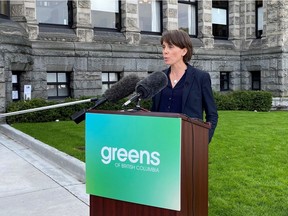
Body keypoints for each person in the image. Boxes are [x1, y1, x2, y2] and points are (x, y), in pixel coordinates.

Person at [151, 29, 218, 143]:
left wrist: (203, 140)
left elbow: (212, 114)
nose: (165, 51)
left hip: (188, 143)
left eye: (170, 47)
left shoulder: (200, 77)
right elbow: (153, 111)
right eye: (163, 47)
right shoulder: (159, 78)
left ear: (184, 51)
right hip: (160, 142)